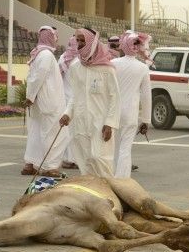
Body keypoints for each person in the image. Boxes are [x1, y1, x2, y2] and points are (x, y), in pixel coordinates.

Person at [59, 28, 120, 178]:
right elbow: (75, 95)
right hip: (80, 122)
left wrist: (110, 123)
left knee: (100, 159)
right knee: (85, 162)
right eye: (77, 40)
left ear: (92, 43)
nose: (78, 44)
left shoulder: (107, 69)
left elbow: (115, 98)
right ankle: (93, 196)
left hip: (101, 123)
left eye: (82, 40)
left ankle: (108, 194)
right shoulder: (75, 67)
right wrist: (67, 113)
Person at [21, 26, 69, 177]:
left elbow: (33, 78)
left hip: (40, 100)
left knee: (36, 132)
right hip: (48, 101)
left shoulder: (39, 54)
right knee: (53, 133)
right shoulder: (46, 55)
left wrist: (30, 96)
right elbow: (38, 78)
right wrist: (30, 96)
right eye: (55, 36)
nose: (57, 39)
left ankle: (30, 164)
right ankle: (49, 167)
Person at [112, 31, 152, 178]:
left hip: (113, 112)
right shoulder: (142, 68)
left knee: (113, 147)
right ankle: (122, 179)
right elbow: (146, 96)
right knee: (125, 148)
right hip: (130, 113)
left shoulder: (112, 64)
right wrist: (146, 120)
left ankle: (112, 176)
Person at [57, 36, 79, 169]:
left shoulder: (63, 58)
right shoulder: (79, 60)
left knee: (67, 130)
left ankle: (67, 157)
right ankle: (70, 159)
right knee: (73, 130)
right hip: (74, 98)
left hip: (64, 96)